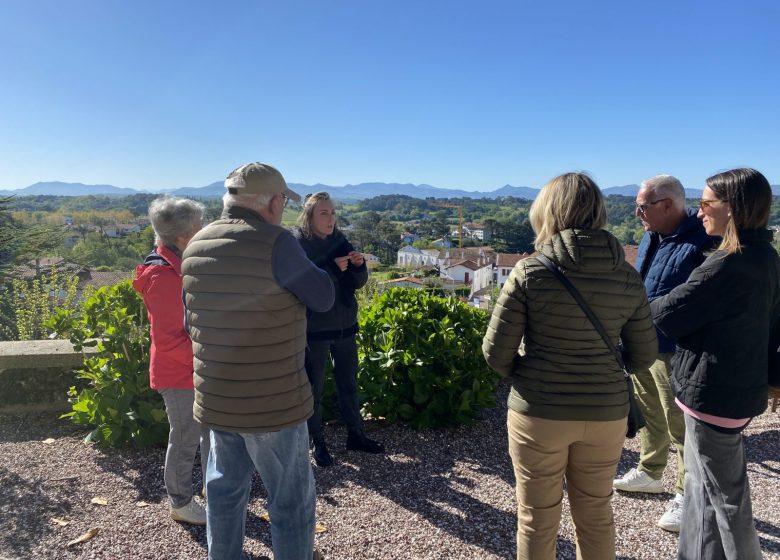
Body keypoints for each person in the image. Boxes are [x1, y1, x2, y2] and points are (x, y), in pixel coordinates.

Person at [482, 172, 658, 560]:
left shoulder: (530, 272)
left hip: (539, 412)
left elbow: (496, 355)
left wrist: (530, 372)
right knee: (596, 513)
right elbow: (644, 356)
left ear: (547, 212)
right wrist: (605, 367)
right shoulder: (628, 277)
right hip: (606, 412)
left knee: (536, 517)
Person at [181, 163, 333, 560]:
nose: (283, 208)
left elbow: (190, 322)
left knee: (224, 493)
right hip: (274, 403)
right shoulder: (277, 242)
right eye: (283, 199)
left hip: (216, 399)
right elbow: (322, 297)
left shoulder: (195, 245)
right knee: (290, 501)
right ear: (271, 202)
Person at [650, 168, 780, 560]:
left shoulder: (726, 264)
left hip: (712, 396)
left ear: (733, 209)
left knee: (726, 501)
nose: (699, 211)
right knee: (700, 494)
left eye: (707, 203)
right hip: (739, 390)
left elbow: (666, 314)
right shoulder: (767, 257)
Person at [613, 175, 716, 532]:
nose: (637, 212)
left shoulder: (703, 240)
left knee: (680, 426)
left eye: (642, 206)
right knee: (648, 411)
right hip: (641, 342)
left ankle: (687, 495)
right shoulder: (651, 236)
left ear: (668, 205)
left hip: (676, 348)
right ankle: (651, 470)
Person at [132, 195, 209, 525]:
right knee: (186, 438)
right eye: (198, 226)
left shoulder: (175, 267)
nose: (203, 231)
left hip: (190, 368)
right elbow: (171, 340)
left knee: (204, 435)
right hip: (180, 373)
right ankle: (180, 502)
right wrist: (207, 360)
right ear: (181, 237)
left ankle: (212, 491)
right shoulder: (163, 277)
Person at [293, 192, 384, 467]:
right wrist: (332, 269)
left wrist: (359, 267)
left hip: (345, 325)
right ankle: (317, 443)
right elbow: (304, 284)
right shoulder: (298, 244)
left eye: (333, 212)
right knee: (314, 390)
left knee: (349, 386)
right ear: (310, 216)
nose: (331, 218)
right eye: (324, 213)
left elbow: (357, 283)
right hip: (316, 329)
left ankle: (355, 435)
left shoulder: (341, 241)